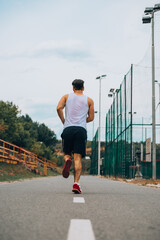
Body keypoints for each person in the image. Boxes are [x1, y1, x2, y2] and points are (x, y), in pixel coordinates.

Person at [57, 79, 94, 194]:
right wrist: (82, 120)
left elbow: (59, 108)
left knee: (67, 154)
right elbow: (91, 118)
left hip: (68, 128)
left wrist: (64, 120)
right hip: (80, 130)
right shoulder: (89, 100)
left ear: (73, 88)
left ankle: (68, 160)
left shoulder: (66, 97)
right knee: (77, 158)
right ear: (83, 88)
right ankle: (76, 184)